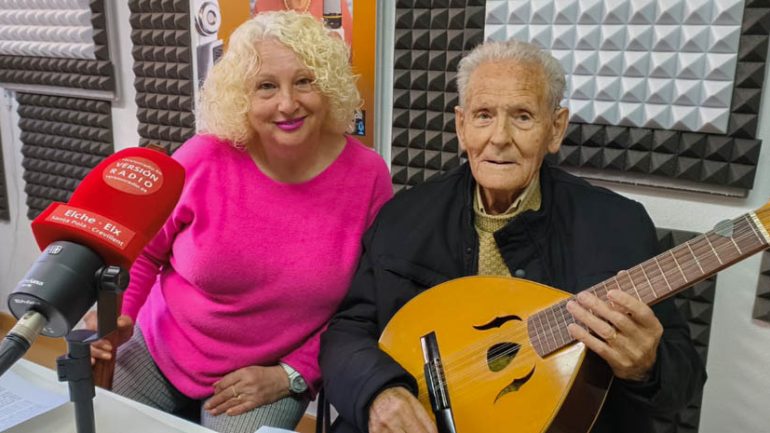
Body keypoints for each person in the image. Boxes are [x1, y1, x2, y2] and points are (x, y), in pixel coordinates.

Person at [319, 39, 706, 433]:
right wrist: (379, 393)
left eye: (522, 116)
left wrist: (648, 367)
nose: (499, 137)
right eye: (484, 115)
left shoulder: (619, 226)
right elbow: (348, 333)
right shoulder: (404, 217)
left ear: (555, 129)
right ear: (461, 125)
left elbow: (684, 380)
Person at [85, 11, 392, 433]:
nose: (287, 103)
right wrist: (122, 316)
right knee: (100, 423)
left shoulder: (368, 177)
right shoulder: (202, 157)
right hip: (161, 349)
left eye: (304, 81)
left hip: (262, 374)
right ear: (242, 95)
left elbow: (366, 305)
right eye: (266, 86)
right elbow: (146, 253)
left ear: (329, 85)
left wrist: (291, 374)